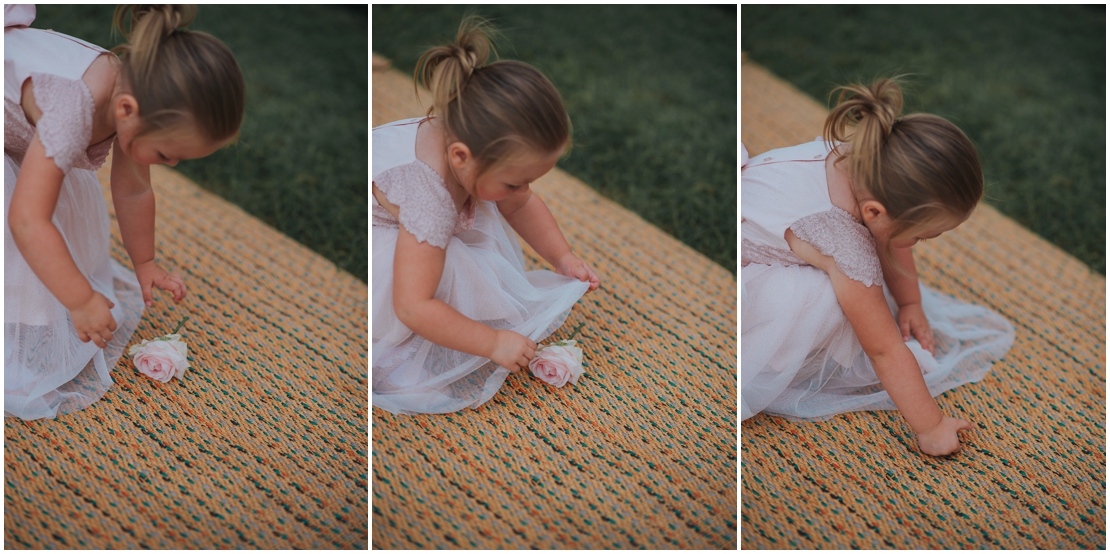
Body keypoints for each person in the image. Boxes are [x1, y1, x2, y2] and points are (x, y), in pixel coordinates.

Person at [740, 77, 1014, 456]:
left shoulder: (866, 158)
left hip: (761, 212)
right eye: (920, 237)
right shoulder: (844, 243)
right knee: (833, 299)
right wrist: (932, 427)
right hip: (742, 264)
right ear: (874, 212)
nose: (915, 244)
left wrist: (911, 302)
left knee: (862, 269)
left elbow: (891, 237)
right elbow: (884, 350)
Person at [4, 4, 244, 419]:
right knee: (24, 243)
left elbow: (133, 191)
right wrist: (79, 299)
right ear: (127, 111)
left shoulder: (132, 91)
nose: (169, 165)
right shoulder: (72, 108)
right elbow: (27, 220)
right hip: (32, 145)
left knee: (57, 224)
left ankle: (27, 329)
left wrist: (145, 261)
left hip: (29, 141)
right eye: (168, 154)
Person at [372, 17, 600, 415]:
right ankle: (395, 364)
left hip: (426, 219)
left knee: (477, 232)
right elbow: (414, 304)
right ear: (461, 156)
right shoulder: (429, 201)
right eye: (515, 182)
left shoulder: (468, 146)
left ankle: (453, 321)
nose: (523, 191)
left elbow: (522, 205)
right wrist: (491, 343)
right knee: (443, 271)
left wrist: (562, 256)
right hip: (381, 233)